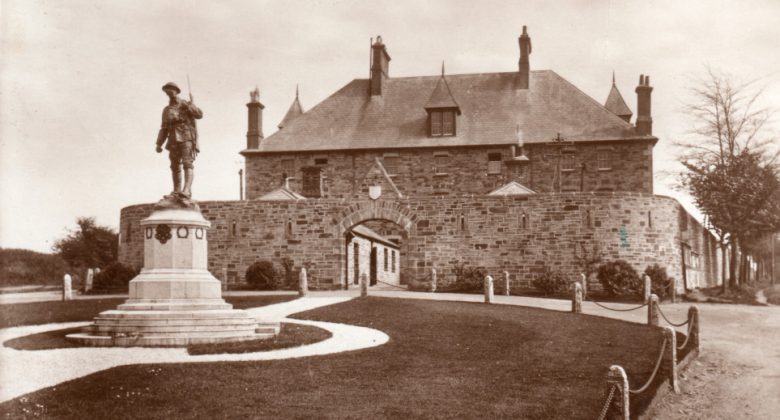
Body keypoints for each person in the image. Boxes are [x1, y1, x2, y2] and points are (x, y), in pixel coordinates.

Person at [155, 82, 203, 199]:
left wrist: (191, 106)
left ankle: (186, 190)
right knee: (175, 165)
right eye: (166, 91)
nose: (168, 93)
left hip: (186, 136)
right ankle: (176, 191)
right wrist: (159, 143)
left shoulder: (185, 104)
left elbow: (199, 115)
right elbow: (164, 128)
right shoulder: (166, 110)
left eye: (170, 90)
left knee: (187, 163)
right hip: (172, 139)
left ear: (176, 91)